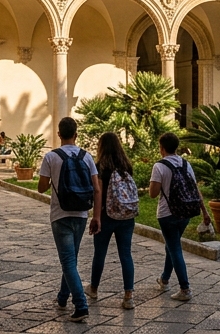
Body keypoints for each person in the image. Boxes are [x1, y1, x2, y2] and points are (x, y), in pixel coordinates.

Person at [38, 117, 101, 321]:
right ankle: (63, 297)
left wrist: (52, 182)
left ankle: (81, 305)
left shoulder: (51, 157)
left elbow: (41, 187)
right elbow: (97, 188)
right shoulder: (87, 157)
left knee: (67, 261)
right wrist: (97, 216)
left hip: (60, 214)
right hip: (82, 213)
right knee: (70, 259)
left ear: (59, 134)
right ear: (76, 134)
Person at [149, 132, 210, 302]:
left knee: (174, 248)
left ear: (162, 148)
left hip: (167, 214)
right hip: (186, 212)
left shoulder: (159, 166)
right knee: (171, 246)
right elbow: (195, 189)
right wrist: (205, 212)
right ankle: (164, 279)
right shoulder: (185, 164)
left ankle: (185, 288)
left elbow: (153, 194)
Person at [88, 132, 137, 310]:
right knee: (126, 254)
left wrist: (96, 217)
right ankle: (128, 295)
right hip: (126, 216)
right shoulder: (126, 165)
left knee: (100, 253)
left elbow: (98, 193)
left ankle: (93, 289)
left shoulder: (100, 166)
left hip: (106, 216)